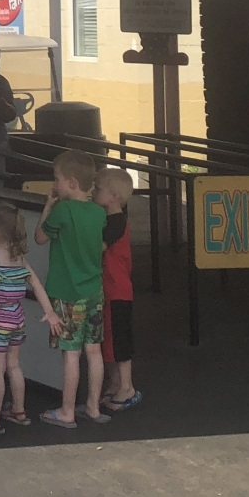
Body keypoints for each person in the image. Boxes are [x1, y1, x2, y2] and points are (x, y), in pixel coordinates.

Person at [35, 149, 109, 427]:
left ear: (71, 183)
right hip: (94, 291)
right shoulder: (98, 213)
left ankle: (67, 410)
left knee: (71, 354)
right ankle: (93, 407)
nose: (54, 184)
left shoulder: (63, 211)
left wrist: (48, 206)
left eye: (57, 179)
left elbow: (40, 237)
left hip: (68, 293)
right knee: (94, 351)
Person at [0, 198, 60, 431]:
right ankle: (19, 410)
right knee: (14, 365)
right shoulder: (19, 256)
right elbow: (36, 284)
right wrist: (49, 311)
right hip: (17, 318)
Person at [95, 164, 142, 412]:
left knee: (120, 341)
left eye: (98, 189)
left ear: (113, 196)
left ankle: (126, 386)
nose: (93, 192)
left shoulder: (115, 221)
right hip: (110, 289)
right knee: (110, 340)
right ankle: (115, 385)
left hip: (117, 290)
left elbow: (98, 247)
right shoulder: (109, 219)